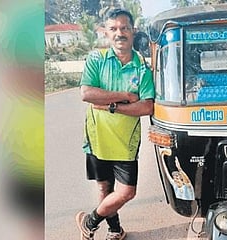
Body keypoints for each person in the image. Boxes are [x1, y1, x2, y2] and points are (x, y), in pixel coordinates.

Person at [75, 8, 155, 240]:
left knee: (126, 192)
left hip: (125, 143)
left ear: (133, 31)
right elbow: (87, 93)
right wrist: (124, 95)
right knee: (104, 188)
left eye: (124, 28)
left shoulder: (142, 68)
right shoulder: (96, 59)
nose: (119, 33)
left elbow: (146, 107)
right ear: (106, 33)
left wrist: (111, 105)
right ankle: (114, 230)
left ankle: (89, 221)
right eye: (113, 29)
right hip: (97, 136)